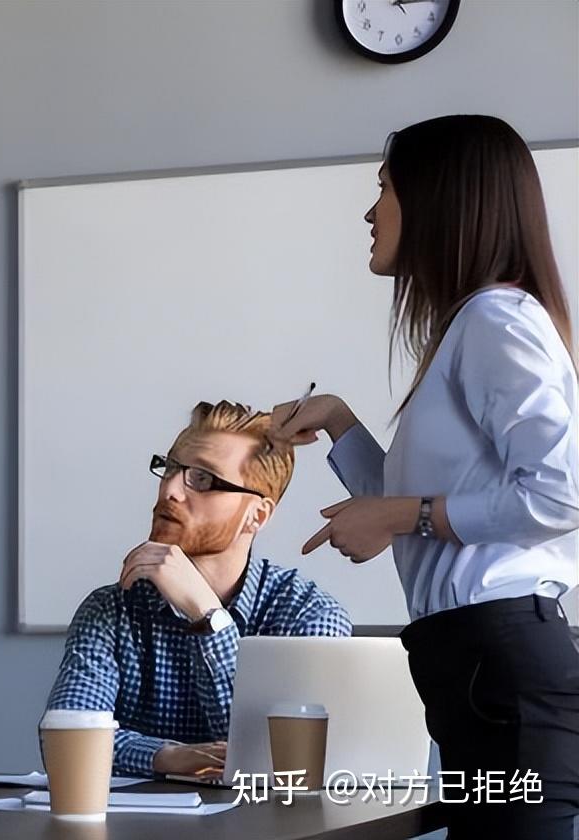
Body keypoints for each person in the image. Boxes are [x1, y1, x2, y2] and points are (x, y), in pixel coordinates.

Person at [269, 115, 579, 840]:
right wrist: (342, 424)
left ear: (440, 198)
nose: (371, 211)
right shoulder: (472, 327)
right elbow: (422, 505)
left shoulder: (496, 322)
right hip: (472, 666)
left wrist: (402, 515)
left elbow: (561, 491)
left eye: (385, 188)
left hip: (499, 662)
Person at [44, 400, 351, 780]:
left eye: (203, 479)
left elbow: (277, 763)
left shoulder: (308, 615)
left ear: (257, 515)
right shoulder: (111, 608)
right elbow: (68, 740)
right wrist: (166, 757)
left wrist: (209, 616)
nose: (170, 490)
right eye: (170, 468)